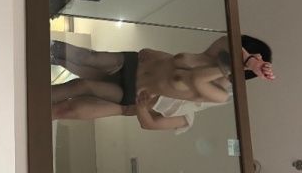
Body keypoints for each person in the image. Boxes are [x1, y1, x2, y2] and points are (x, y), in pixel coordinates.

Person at [51, 35, 274, 130]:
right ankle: (43, 43)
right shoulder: (210, 55)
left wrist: (238, 67)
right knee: (87, 57)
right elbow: (229, 39)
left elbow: (196, 79)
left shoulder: (220, 93)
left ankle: (36, 105)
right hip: (133, 65)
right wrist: (249, 60)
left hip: (133, 92)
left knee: (81, 86)